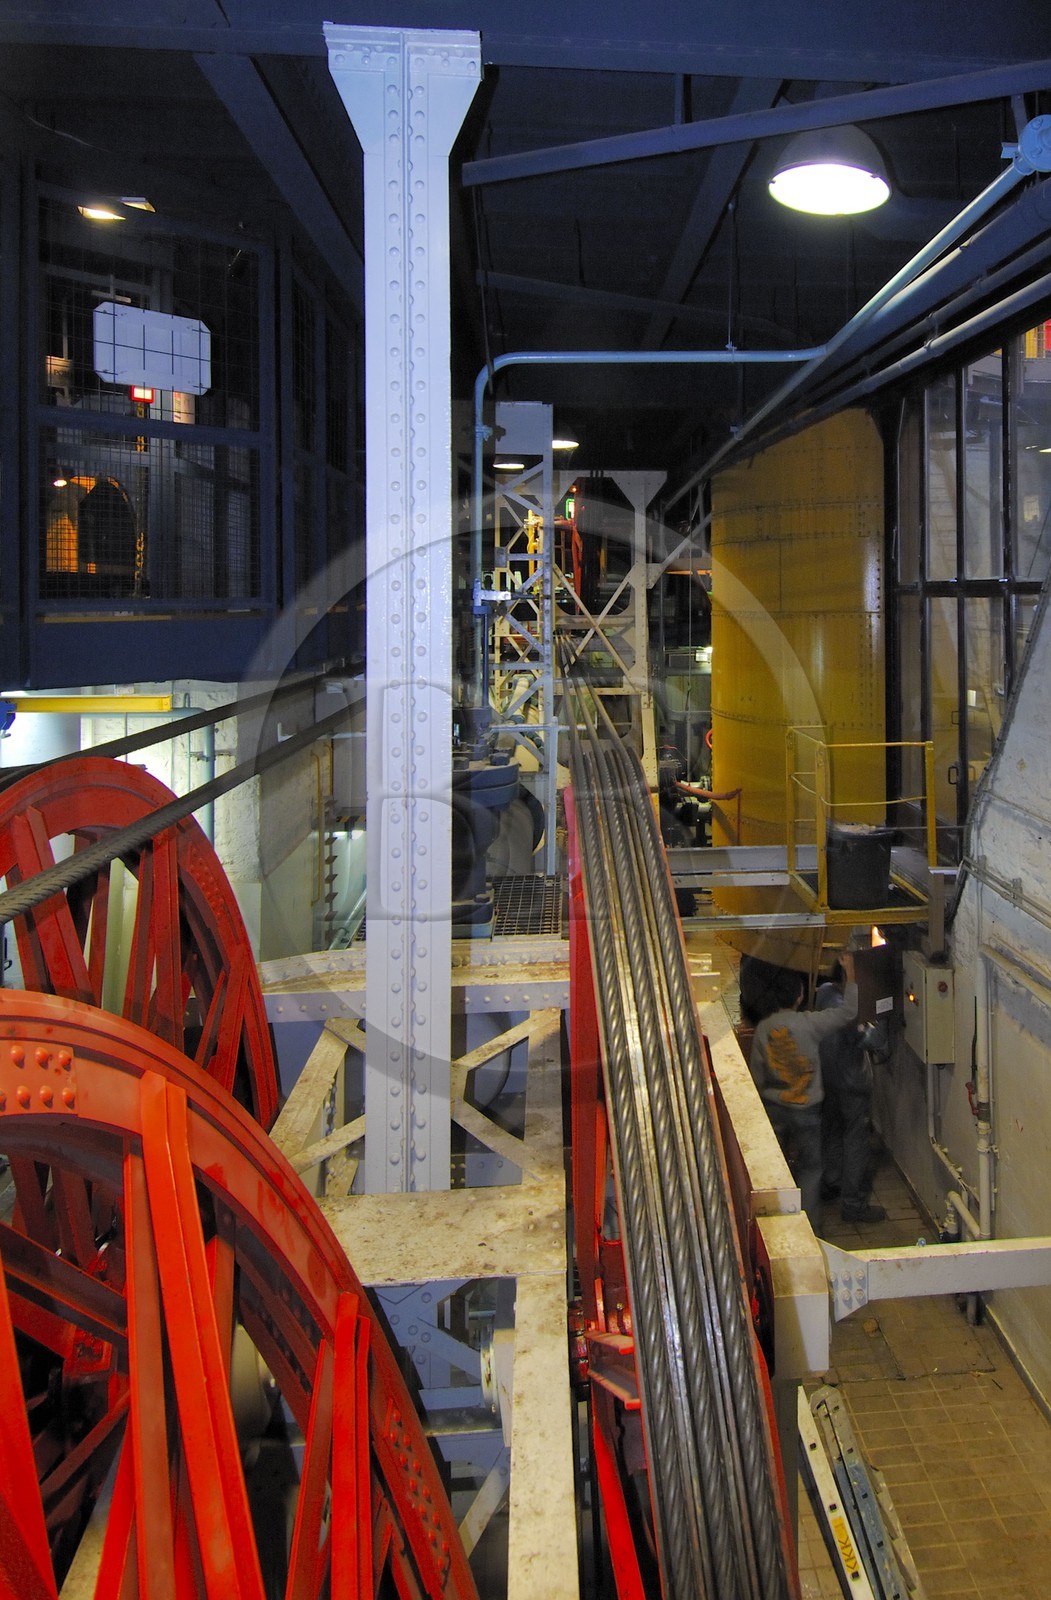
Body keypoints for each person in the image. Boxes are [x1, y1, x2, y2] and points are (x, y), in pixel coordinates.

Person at [748, 953, 858, 1226]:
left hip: (775, 1108)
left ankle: (777, 1224)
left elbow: (756, 1075)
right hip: (807, 1110)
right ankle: (810, 1230)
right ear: (799, 995)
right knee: (810, 1170)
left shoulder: (763, 1029)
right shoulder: (810, 1023)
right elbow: (849, 1012)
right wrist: (852, 973)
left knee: (776, 1169)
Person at [816, 966, 888, 1224]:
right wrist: (882, 1016)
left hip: (827, 1076)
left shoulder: (823, 993)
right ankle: (853, 1204)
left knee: (831, 1129)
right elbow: (873, 1041)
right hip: (851, 1083)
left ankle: (831, 1180)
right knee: (855, 1139)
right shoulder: (847, 1010)